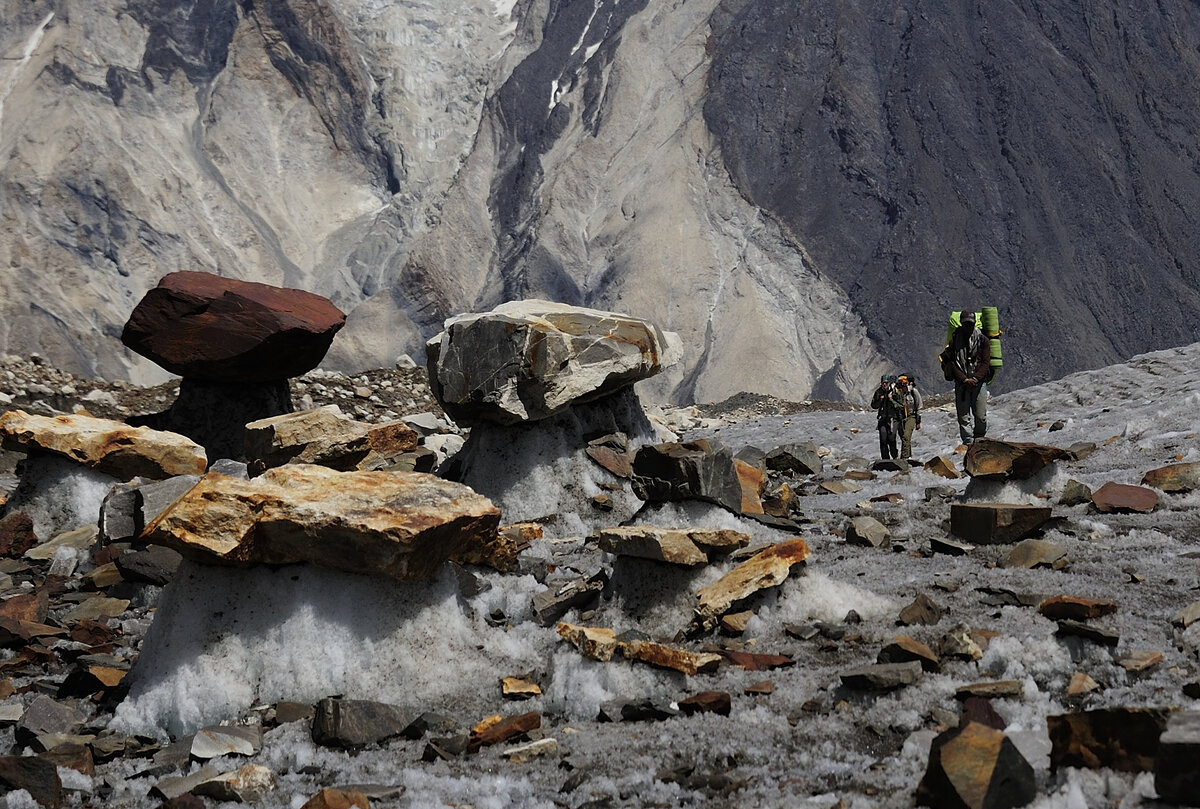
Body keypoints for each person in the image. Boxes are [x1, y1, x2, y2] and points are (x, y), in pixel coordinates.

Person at [948, 310, 991, 445]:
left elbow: (985, 362)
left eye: (970, 324)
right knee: (964, 417)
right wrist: (964, 379)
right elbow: (952, 362)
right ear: (961, 323)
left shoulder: (983, 340)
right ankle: (968, 443)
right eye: (966, 324)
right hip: (962, 383)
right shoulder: (955, 340)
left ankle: (979, 439)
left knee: (980, 416)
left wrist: (976, 378)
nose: (968, 327)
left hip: (979, 383)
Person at [870, 373, 902, 459]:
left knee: (891, 438)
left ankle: (894, 455)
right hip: (883, 419)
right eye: (883, 383)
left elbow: (900, 406)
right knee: (883, 439)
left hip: (893, 418)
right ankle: (885, 459)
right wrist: (880, 400)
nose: (884, 384)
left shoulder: (895, 392)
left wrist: (891, 399)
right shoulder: (878, 392)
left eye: (886, 383)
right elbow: (873, 405)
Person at [895, 373, 922, 459]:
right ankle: (908, 455)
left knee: (906, 436)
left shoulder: (914, 392)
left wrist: (918, 421)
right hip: (901, 417)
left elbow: (919, 406)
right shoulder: (898, 393)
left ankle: (904, 457)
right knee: (903, 437)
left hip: (911, 416)